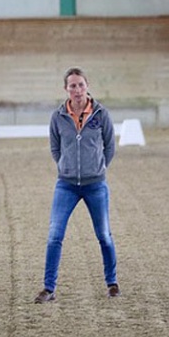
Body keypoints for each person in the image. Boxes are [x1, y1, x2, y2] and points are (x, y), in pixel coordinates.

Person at [34, 67, 120, 303]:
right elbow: (55, 148)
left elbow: (110, 146)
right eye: (72, 85)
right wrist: (65, 166)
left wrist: (98, 168)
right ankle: (48, 288)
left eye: (80, 85)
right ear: (66, 89)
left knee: (104, 235)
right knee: (54, 235)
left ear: (87, 86)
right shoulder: (58, 117)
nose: (77, 90)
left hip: (96, 185)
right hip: (66, 185)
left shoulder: (101, 114)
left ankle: (112, 283)